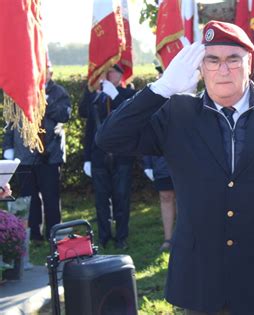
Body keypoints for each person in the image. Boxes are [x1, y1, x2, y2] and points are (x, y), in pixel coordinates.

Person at [96, 21, 254, 315]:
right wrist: (161, 89)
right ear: (200, 67)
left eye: (233, 59)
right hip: (202, 283)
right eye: (212, 60)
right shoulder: (177, 114)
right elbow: (110, 138)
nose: (223, 69)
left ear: (249, 61)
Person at [3, 62, 71, 241]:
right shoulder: (20, 91)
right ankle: (33, 234)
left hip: (50, 153)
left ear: (50, 73)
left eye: (44, 71)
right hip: (25, 154)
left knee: (51, 197)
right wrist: (8, 146)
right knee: (28, 197)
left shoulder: (58, 92)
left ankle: (54, 233)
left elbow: (64, 115)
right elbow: (11, 121)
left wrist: (46, 104)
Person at [79, 64, 136, 250]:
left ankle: (121, 237)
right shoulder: (96, 96)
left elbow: (131, 115)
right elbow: (86, 121)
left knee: (121, 198)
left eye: (114, 71)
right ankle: (104, 237)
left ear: (121, 75)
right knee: (101, 200)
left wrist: (116, 96)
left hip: (122, 155)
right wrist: (87, 157)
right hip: (98, 155)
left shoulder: (128, 95)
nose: (110, 74)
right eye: (107, 71)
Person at [143, 63, 178, 252]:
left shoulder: (186, 98)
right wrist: (147, 163)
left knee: (185, 199)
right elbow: (149, 133)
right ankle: (168, 238)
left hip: (183, 159)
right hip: (161, 160)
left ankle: (184, 236)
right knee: (165, 197)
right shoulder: (154, 100)